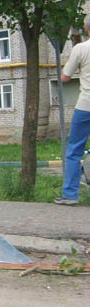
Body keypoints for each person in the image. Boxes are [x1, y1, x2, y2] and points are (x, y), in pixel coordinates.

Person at [56, 15, 90, 206]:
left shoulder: (80, 48)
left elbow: (65, 78)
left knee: (74, 150)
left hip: (86, 106)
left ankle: (70, 195)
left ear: (86, 29)